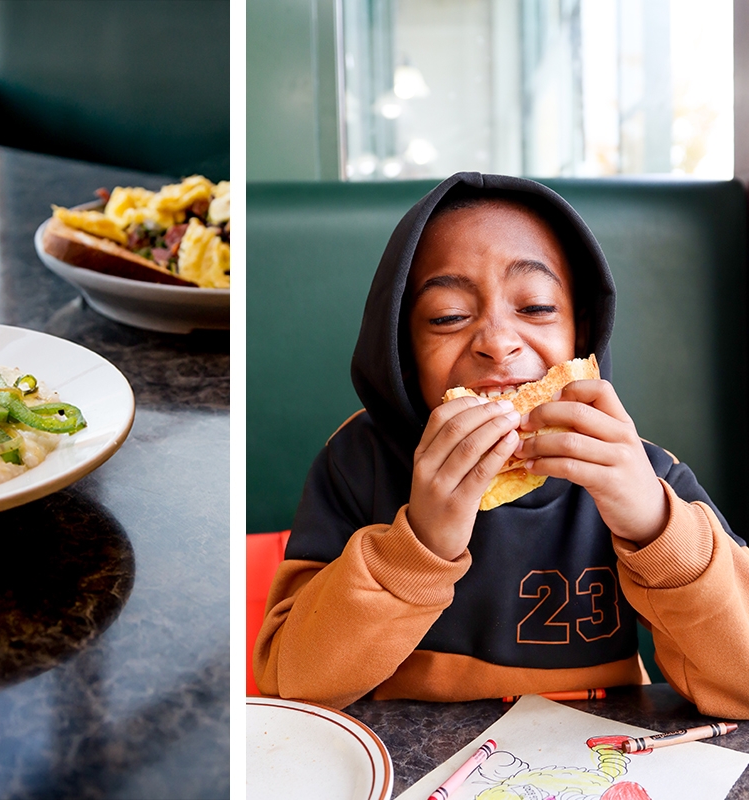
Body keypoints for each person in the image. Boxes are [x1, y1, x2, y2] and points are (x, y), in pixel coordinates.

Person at [252, 172, 749, 718]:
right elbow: (287, 691)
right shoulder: (356, 464)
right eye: (448, 317)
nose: (496, 343)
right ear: (402, 352)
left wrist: (657, 530)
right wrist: (418, 545)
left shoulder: (642, 475)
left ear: (580, 334)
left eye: (535, 307)